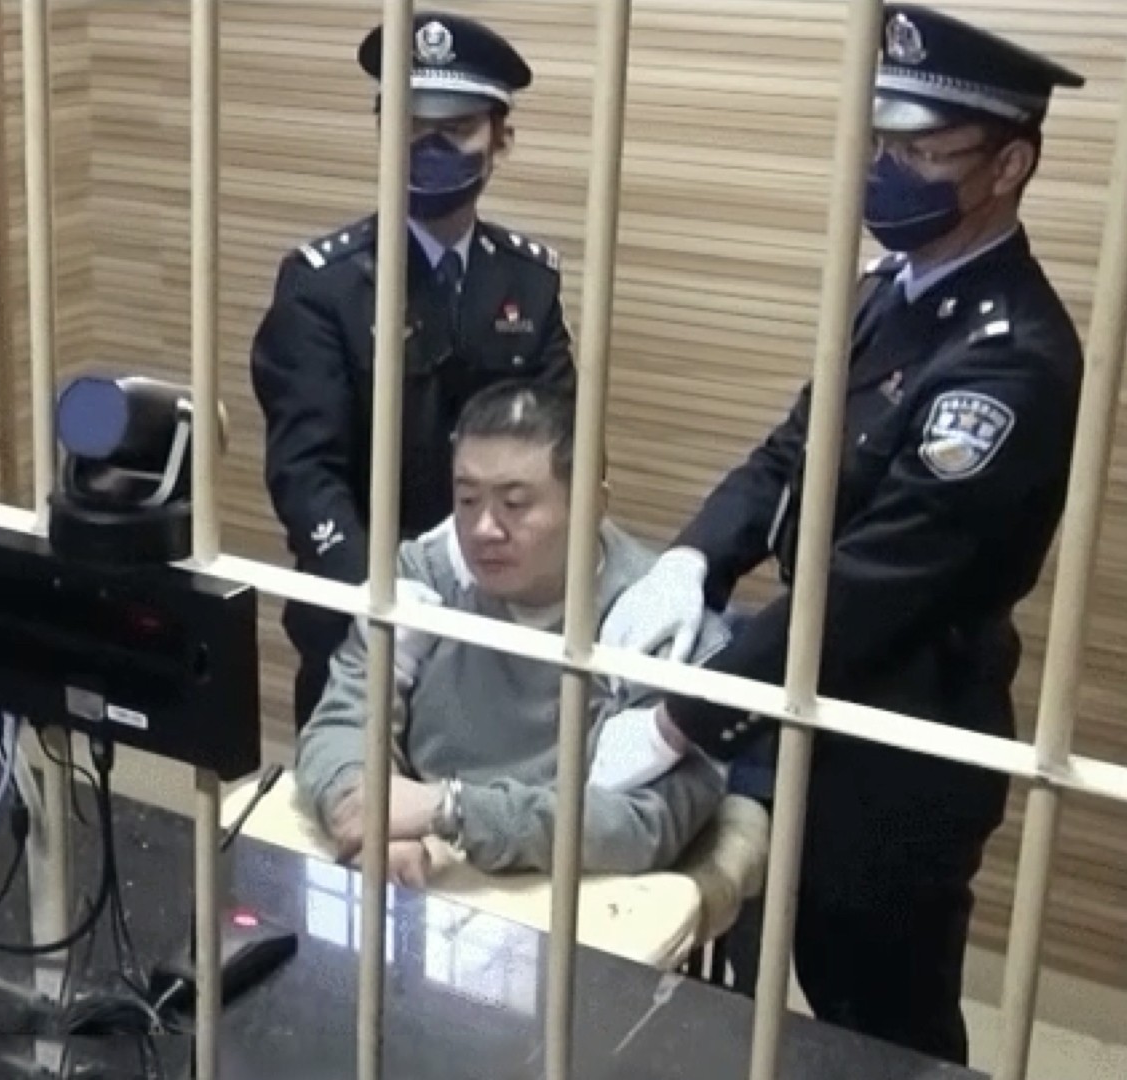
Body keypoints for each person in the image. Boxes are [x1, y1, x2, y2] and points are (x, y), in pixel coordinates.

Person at [599, 5, 1085, 1064]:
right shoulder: (891, 293)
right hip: (812, 706)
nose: (887, 171)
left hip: (902, 745)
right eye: (880, 143)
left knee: (884, 1019)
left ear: (1009, 164)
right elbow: (795, 448)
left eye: (921, 151)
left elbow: (875, 584)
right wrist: (694, 558)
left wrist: (684, 718)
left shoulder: (1010, 358)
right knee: (802, 975)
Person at [251, 11, 575, 733]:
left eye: (454, 129)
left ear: (501, 139)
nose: (429, 148)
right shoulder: (324, 287)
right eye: (410, 127)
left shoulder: (528, 281)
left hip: (500, 611)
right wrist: (381, 595)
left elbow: (559, 448)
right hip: (361, 616)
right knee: (350, 793)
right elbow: (306, 474)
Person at [294, 381, 726, 887]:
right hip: (422, 867)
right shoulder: (428, 574)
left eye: (515, 503)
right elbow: (340, 720)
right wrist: (369, 810)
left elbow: (645, 822)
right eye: (467, 499)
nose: (484, 529)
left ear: (592, 503)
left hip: (572, 891)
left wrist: (451, 810)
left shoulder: (659, 619)